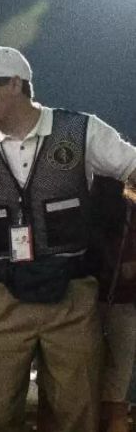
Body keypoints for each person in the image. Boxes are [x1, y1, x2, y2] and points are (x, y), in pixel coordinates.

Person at [0, 46, 136, 432]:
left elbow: (133, 167)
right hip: (0, 295)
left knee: (78, 416)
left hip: (71, 295)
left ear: (15, 84)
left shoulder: (81, 130)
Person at [89, 176, 136, 432]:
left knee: (82, 400)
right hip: (124, 305)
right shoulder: (131, 211)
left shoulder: (85, 211)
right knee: (117, 400)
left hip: (84, 305)